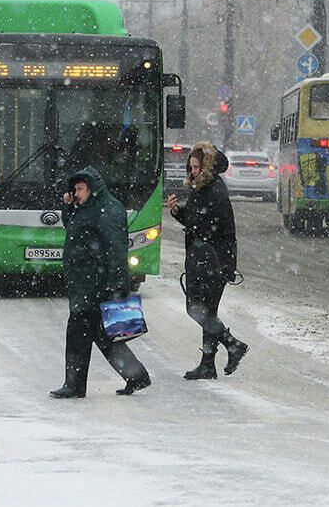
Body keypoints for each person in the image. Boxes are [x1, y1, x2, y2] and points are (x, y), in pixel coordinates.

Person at [50, 166, 151, 398]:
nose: (76, 194)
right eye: (75, 190)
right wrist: (68, 207)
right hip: (85, 283)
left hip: (94, 283)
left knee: (77, 331)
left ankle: (74, 385)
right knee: (102, 334)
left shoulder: (108, 210)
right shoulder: (88, 208)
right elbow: (74, 228)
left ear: (92, 187)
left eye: (80, 189)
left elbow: (116, 248)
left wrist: (116, 283)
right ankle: (136, 375)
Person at [166, 142, 249, 380]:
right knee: (207, 311)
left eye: (195, 167)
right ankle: (208, 364)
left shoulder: (212, 189)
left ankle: (233, 345)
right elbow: (198, 223)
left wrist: (184, 216)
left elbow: (205, 228)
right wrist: (177, 212)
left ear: (207, 167)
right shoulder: (205, 187)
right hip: (210, 258)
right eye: (190, 167)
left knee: (196, 309)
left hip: (212, 260)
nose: (191, 172)